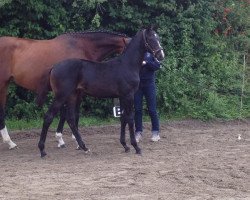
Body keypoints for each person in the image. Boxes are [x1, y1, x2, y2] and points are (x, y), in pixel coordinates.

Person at [134, 51, 161, 142]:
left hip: (149, 85)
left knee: (152, 109)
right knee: (137, 109)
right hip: (138, 85)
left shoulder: (152, 53)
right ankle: (138, 132)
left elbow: (157, 66)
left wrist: (146, 63)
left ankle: (155, 132)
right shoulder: (136, 52)